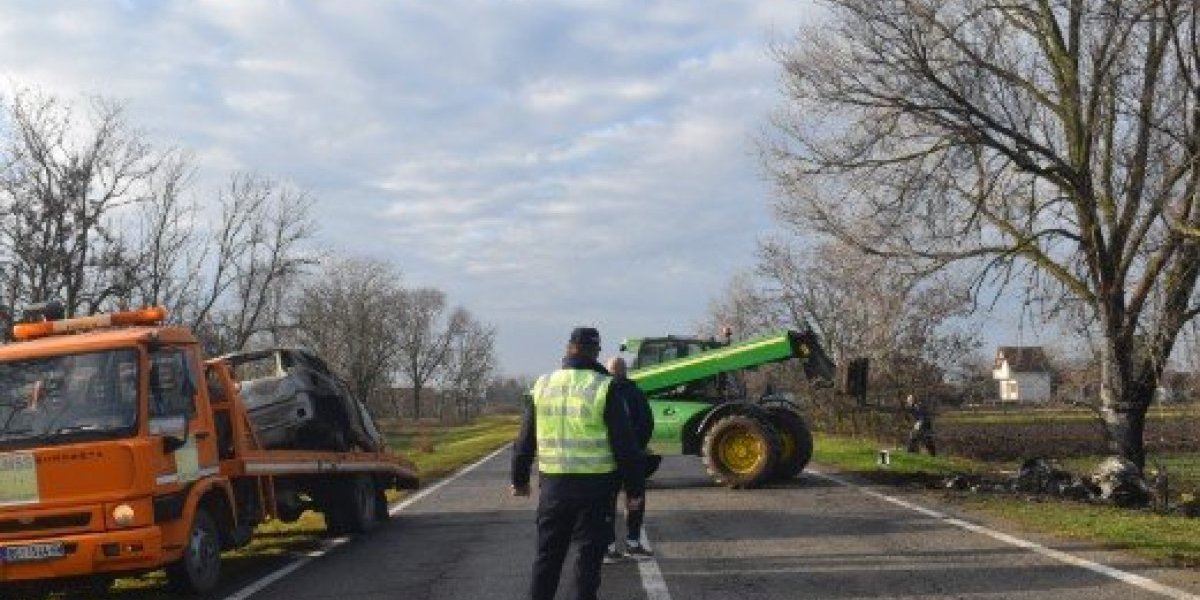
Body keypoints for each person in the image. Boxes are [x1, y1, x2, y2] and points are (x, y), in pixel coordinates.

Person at [511, 327, 645, 600]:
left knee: (546, 560)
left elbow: (524, 440)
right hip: (594, 491)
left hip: (553, 488)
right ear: (595, 353)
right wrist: (634, 491)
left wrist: (519, 479)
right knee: (586, 564)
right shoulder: (604, 387)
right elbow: (625, 446)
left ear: (568, 349)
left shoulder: (543, 385)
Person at [603, 356, 654, 562]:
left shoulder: (602, 393)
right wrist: (637, 447)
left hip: (608, 458)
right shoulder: (636, 393)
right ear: (625, 371)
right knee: (634, 499)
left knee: (608, 502)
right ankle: (633, 543)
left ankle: (609, 547)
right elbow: (647, 424)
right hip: (632, 458)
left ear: (608, 371)